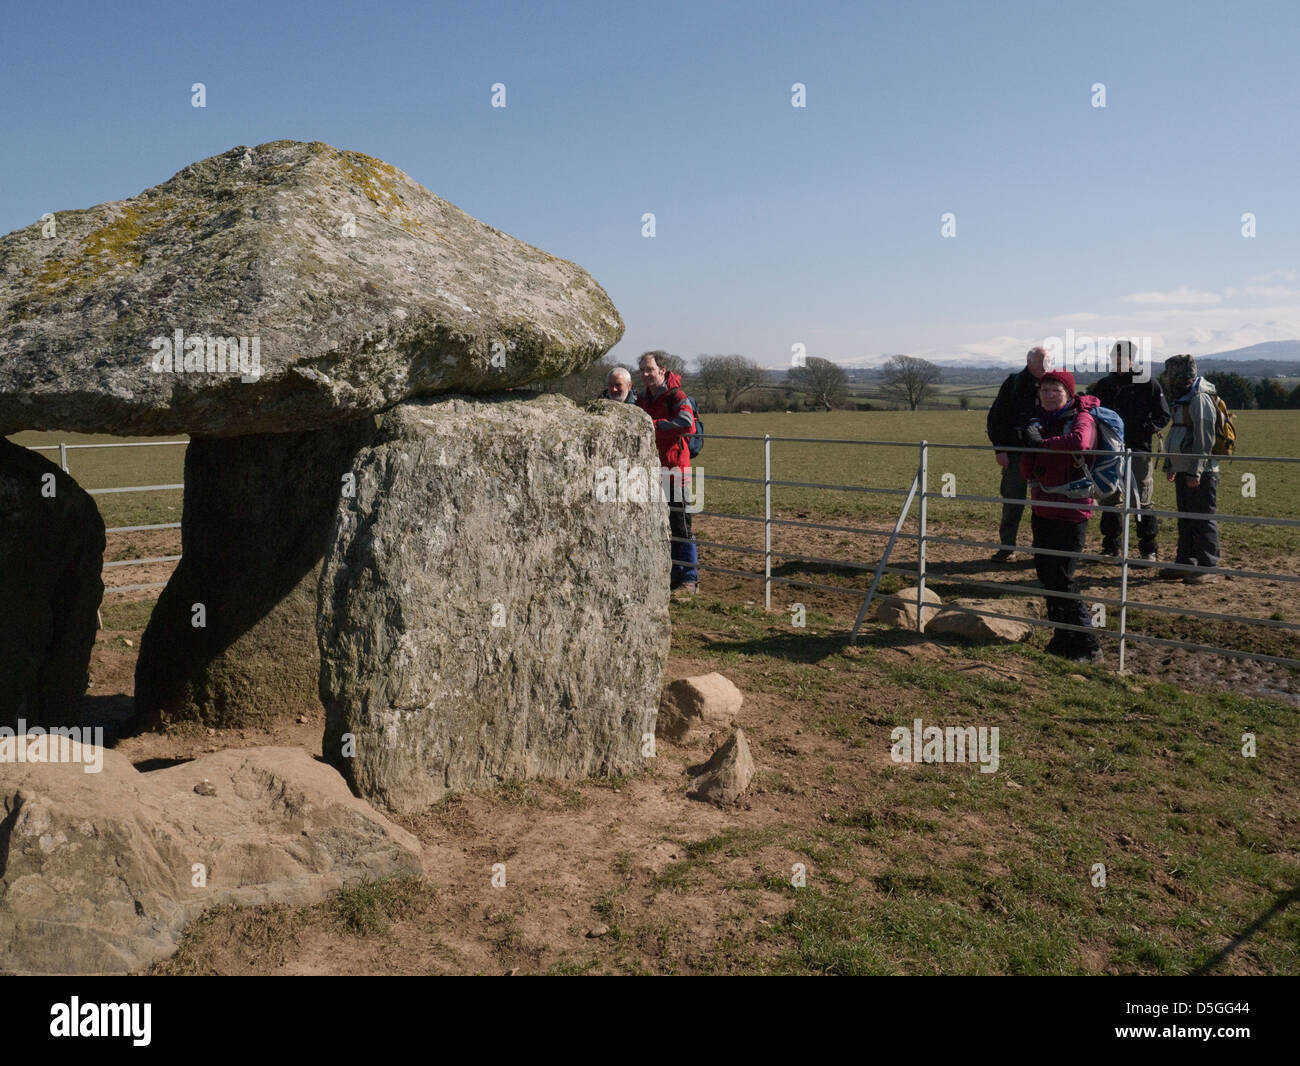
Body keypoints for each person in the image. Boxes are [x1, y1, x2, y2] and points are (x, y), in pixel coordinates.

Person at [1019, 370, 1103, 663]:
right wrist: (1028, 442)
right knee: (1046, 573)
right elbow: (1026, 470)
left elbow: (1080, 442)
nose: (1049, 395)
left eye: (1055, 390)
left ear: (1069, 393)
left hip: (1071, 509)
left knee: (1063, 576)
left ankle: (1087, 643)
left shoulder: (1082, 416)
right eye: (1044, 390)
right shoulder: (1037, 421)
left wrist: (1040, 444)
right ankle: (1061, 637)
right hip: (1042, 507)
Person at [1089, 340, 1171, 562]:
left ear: (1131, 360)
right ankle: (1111, 547)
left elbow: (1163, 415)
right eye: (1112, 359)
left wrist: (1144, 430)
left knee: (1141, 499)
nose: (1115, 363)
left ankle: (1148, 549)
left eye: (1120, 359)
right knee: (1110, 497)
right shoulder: (1104, 386)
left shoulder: (1148, 384)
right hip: (1109, 451)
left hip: (1138, 450)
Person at [635, 351, 699, 596]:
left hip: (675, 470)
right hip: (651, 471)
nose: (646, 374)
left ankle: (689, 579)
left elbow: (687, 424)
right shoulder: (643, 399)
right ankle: (670, 574)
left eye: (650, 369)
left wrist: (654, 426)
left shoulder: (677, 396)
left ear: (663, 370)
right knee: (660, 525)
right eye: (642, 370)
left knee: (681, 524)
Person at [1160, 355, 1220, 583]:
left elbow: (1204, 440)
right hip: (1184, 468)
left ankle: (1208, 565)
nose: (1166, 379)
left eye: (1169, 374)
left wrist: (1196, 471)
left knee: (1202, 518)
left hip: (1201, 472)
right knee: (1185, 518)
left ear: (1178, 375)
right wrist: (1171, 464)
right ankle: (1185, 562)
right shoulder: (1184, 398)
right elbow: (1177, 434)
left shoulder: (1199, 399)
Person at [986, 346, 1049, 560]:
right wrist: (1000, 449)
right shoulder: (1013, 384)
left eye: (1048, 362)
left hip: (1045, 454)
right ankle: (1007, 547)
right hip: (1016, 453)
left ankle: (1041, 548)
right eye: (1041, 362)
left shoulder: (1052, 385)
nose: (1045, 366)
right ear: (1029, 362)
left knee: (1045, 503)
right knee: (1013, 501)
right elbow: (997, 418)